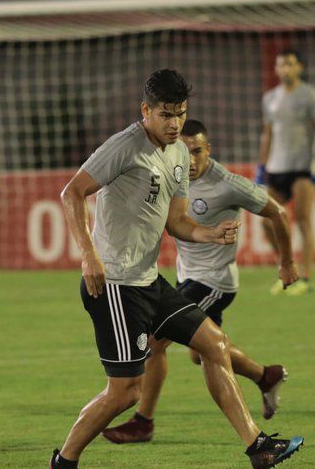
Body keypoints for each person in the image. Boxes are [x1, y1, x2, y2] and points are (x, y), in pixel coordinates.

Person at [49, 69, 304, 469]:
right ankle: (64, 459)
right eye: (166, 115)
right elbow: (71, 193)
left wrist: (210, 233)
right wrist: (87, 254)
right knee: (125, 393)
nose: (174, 124)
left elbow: (178, 222)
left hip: (149, 281)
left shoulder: (179, 155)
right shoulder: (124, 147)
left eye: (180, 115)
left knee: (214, 344)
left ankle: (258, 446)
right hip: (113, 285)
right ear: (145, 110)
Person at [101, 118, 298, 444]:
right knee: (202, 353)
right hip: (186, 277)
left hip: (214, 283)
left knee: (155, 341)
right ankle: (266, 376)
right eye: (185, 152)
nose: (191, 161)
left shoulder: (228, 184)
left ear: (209, 150)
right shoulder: (172, 170)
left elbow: (278, 212)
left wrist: (287, 262)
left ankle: (143, 421)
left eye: (198, 152)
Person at [255, 49, 315, 296]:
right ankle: (287, 270)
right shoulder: (270, 98)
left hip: (302, 169)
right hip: (276, 169)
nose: (284, 69)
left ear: (299, 67)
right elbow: (267, 133)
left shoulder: (311, 96)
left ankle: (306, 278)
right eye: (280, 65)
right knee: (268, 222)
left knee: (302, 221)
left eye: (289, 64)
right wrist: (261, 166)